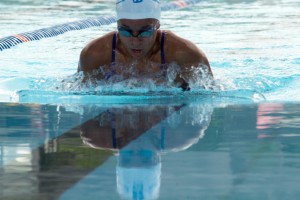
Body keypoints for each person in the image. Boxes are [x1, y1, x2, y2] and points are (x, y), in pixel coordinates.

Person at [78, 0, 213, 91]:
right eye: (125, 31)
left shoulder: (184, 53)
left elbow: (209, 92)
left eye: (145, 31)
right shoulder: (94, 54)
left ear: (157, 26)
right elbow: (79, 92)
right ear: (117, 26)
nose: (135, 41)